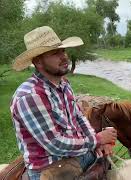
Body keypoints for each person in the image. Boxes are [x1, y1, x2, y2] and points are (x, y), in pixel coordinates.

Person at [10, 26, 117, 180]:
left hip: (78, 156)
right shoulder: (30, 96)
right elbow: (55, 143)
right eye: (55, 53)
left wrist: (96, 143)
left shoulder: (64, 84)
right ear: (38, 62)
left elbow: (79, 118)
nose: (64, 57)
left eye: (63, 51)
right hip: (50, 168)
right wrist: (98, 139)